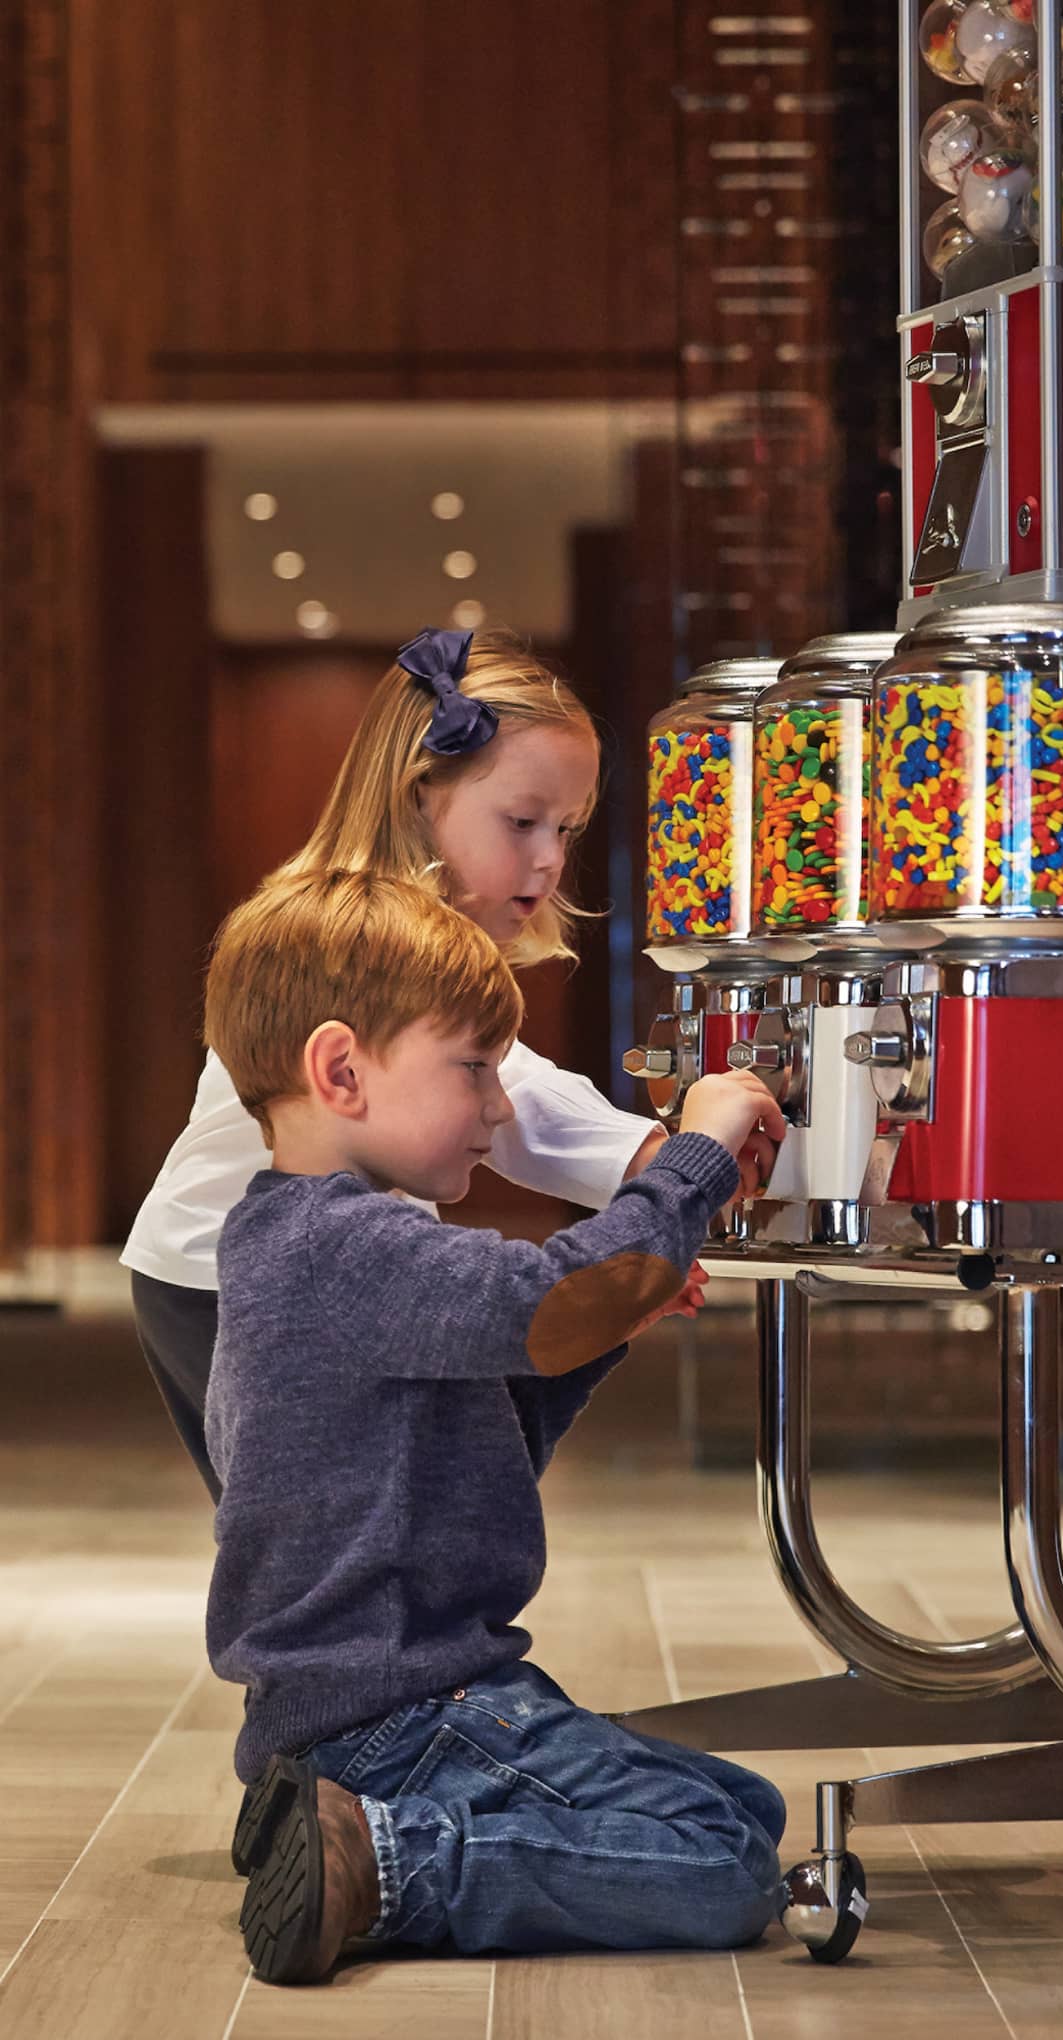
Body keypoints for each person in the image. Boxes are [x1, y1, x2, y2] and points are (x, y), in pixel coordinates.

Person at [204, 867, 788, 1984]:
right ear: (341, 1070)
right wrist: (692, 1157)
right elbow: (538, 1299)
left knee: (740, 1805)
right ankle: (384, 1859)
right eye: (475, 1068)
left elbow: (480, 1446)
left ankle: (320, 1816)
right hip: (408, 1711)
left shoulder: (304, 1242)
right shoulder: (350, 1246)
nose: (500, 1109)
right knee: (722, 1861)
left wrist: (612, 1320)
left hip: (355, 1711)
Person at [123, 626, 694, 1500]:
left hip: (306, 1259)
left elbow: (502, 1085)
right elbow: (523, 1101)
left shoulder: (407, 936)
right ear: (421, 794)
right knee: (336, 1532)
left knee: (404, 1502)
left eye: (567, 828)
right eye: (522, 820)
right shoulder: (352, 938)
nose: (549, 857)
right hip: (216, 1273)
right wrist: (671, 1162)